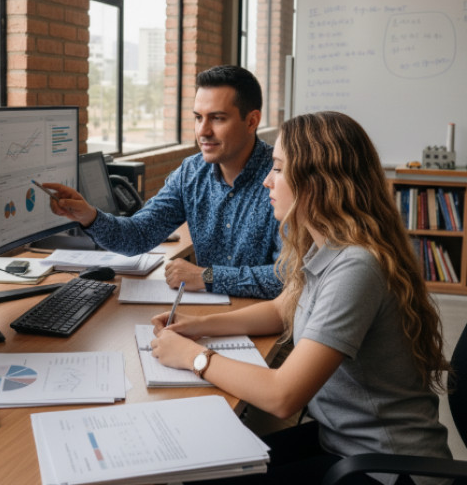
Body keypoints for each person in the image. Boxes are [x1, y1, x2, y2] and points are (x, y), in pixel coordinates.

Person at [148, 110, 452, 484]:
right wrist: (197, 327)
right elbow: (282, 309)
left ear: (317, 181)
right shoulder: (326, 243)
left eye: (277, 168)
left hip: (388, 468)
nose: (266, 182)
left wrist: (192, 357)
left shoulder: (356, 267)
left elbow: (282, 397)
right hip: (343, 440)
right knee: (210, 470)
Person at [45, 66, 282, 298]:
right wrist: (89, 217)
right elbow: (138, 236)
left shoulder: (284, 177)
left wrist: (207, 277)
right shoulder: (191, 173)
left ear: (252, 121)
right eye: (198, 118)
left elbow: (288, 278)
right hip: (210, 318)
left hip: (269, 325)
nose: (203, 131)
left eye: (217, 119)